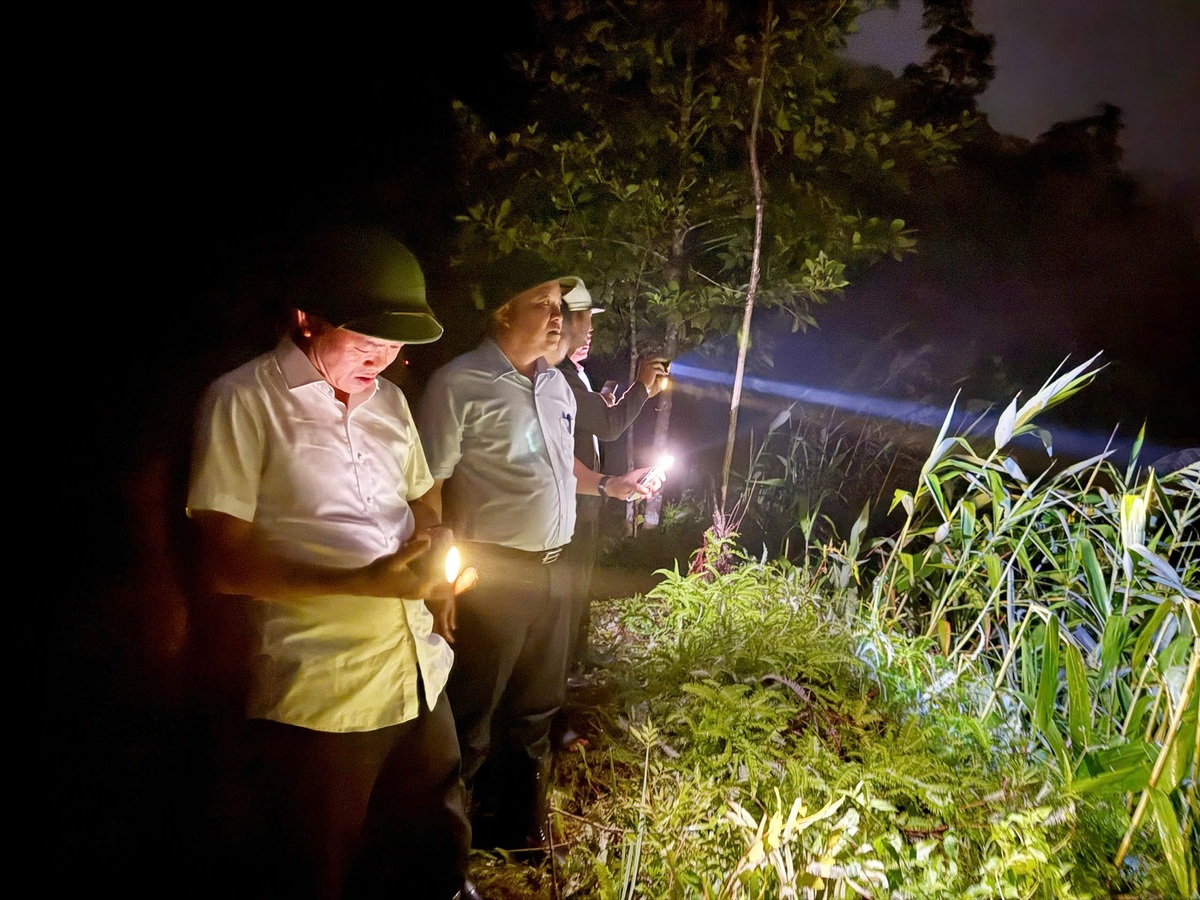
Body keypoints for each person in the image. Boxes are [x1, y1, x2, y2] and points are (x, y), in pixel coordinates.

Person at [185, 226, 482, 900]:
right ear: (307, 318)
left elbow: (423, 497)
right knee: (318, 868)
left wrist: (435, 556)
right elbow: (224, 563)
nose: (386, 355)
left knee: (437, 845)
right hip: (320, 693)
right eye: (369, 337)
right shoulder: (243, 400)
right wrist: (362, 583)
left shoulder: (391, 402)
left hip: (417, 671)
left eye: (398, 342)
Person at [415, 252, 663, 854]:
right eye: (544, 305)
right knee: (472, 714)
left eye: (560, 307)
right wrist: (437, 581)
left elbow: (560, 465)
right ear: (505, 312)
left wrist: (610, 484)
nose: (559, 318)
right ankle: (444, 852)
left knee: (536, 709)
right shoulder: (458, 384)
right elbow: (426, 487)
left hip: (555, 567)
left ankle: (518, 836)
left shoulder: (556, 385)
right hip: (491, 573)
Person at [551, 301, 668, 682]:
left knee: (582, 581)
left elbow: (599, 422)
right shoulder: (557, 377)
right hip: (569, 498)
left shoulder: (575, 375)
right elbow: (609, 425)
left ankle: (576, 658)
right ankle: (562, 668)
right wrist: (641, 387)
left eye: (591, 329)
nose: (588, 336)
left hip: (585, 497)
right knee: (568, 586)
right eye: (582, 327)